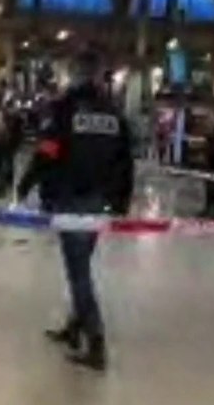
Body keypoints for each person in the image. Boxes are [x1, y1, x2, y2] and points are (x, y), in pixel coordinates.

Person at [17, 51, 133, 371]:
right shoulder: (114, 113)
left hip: (71, 197)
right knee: (80, 264)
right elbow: (125, 160)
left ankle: (96, 339)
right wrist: (122, 200)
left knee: (78, 270)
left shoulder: (66, 110)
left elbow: (49, 149)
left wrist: (28, 182)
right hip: (99, 200)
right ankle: (75, 325)